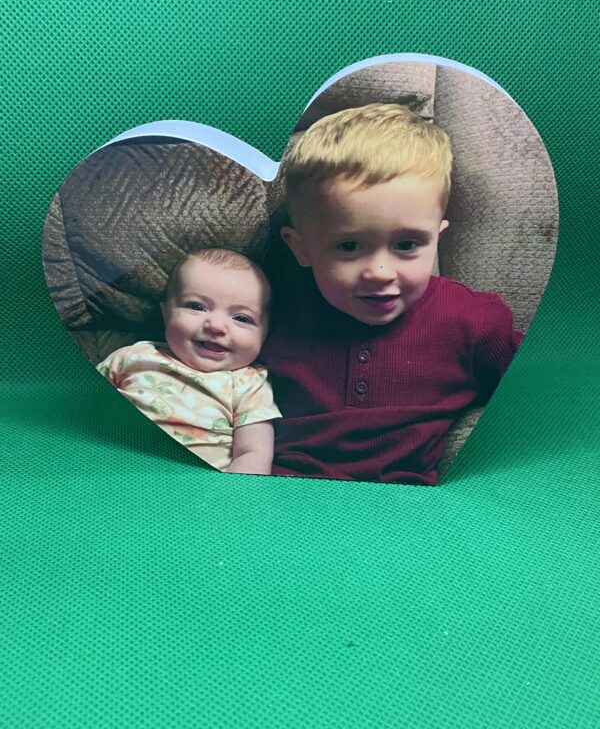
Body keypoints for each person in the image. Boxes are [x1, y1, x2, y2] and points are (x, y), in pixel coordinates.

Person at [260, 102, 524, 485]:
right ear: (301, 248)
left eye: (406, 244)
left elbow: (546, 395)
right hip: (282, 493)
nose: (380, 273)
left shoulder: (472, 320)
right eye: (349, 247)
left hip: (406, 506)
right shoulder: (272, 313)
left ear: (436, 240)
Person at [97, 248, 281, 475]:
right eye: (196, 306)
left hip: (199, 493)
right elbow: (79, 407)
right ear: (166, 313)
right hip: (107, 473)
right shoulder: (132, 356)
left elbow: (254, 453)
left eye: (241, 318)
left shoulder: (248, 383)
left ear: (265, 333)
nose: (216, 325)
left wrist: (234, 501)